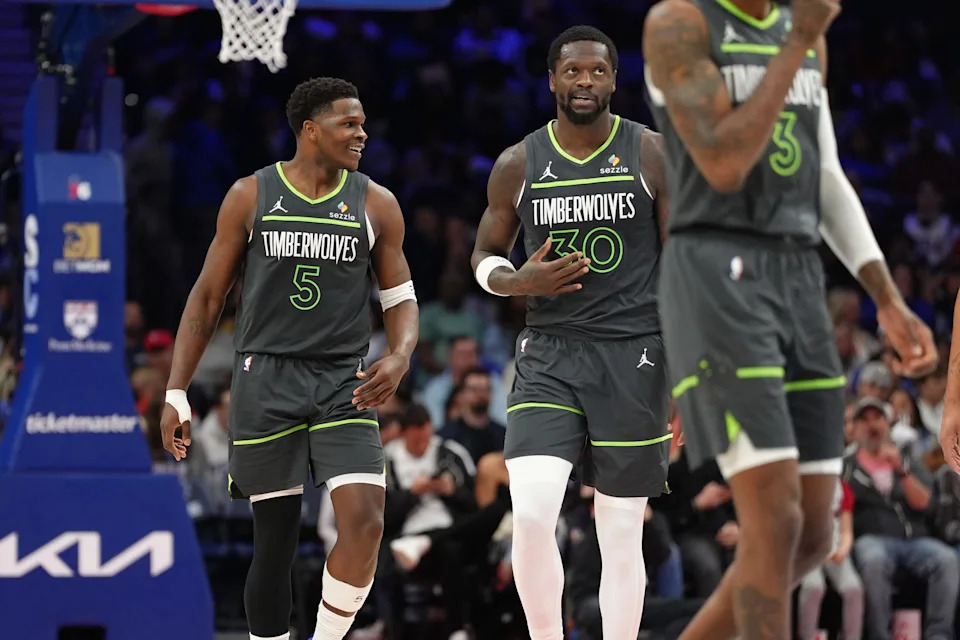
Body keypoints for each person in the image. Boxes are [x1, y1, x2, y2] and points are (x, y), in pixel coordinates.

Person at [642, 0, 939, 638]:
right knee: (772, 528)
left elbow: (824, 171)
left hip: (799, 273)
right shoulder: (680, 23)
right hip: (718, 266)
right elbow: (723, 164)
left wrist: (884, 295)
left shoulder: (803, 34)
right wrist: (800, 37)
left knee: (810, 535)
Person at [159, 77, 420, 640]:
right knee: (273, 544)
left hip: (342, 380)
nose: (361, 133)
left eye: (362, 123)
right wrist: (176, 392)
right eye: (348, 124)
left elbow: (400, 297)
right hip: (266, 376)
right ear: (310, 130)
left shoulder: (376, 202)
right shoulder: (251, 194)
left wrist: (399, 356)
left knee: (365, 523)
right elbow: (208, 297)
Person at [471, 25, 672, 640]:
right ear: (553, 79)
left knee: (618, 530)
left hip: (634, 354)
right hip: (549, 354)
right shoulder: (519, 162)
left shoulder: (650, 153)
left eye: (597, 72)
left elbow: (685, 263)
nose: (585, 81)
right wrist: (516, 283)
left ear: (614, 79)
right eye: (573, 72)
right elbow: (484, 256)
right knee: (531, 514)